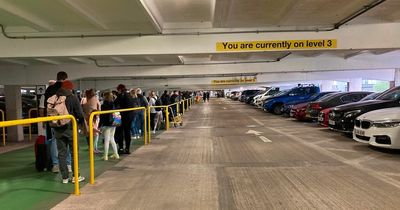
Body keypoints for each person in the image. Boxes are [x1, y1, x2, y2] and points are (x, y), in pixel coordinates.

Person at [51, 80, 85, 184]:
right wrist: (80, 123)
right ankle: (75, 176)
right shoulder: (72, 97)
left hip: (57, 129)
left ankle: (65, 178)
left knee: (61, 153)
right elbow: (79, 114)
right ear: (70, 88)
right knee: (74, 153)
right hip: (70, 128)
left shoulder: (55, 98)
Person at [43, 71, 71, 173]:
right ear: (65, 78)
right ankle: (68, 164)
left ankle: (55, 164)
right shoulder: (66, 89)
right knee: (66, 140)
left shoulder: (49, 89)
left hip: (52, 119)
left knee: (54, 141)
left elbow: (45, 105)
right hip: (65, 119)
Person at [99, 92, 119, 161]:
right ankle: (116, 154)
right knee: (112, 139)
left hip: (107, 124)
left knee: (106, 140)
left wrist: (99, 125)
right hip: (114, 123)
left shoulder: (103, 105)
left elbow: (102, 116)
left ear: (105, 97)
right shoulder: (114, 104)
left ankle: (105, 156)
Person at [114, 84, 134, 154]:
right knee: (127, 133)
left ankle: (121, 148)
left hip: (121, 117)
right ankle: (127, 148)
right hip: (129, 117)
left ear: (119, 89)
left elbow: (115, 103)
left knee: (120, 133)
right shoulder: (129, 95)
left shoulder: (121, 95)